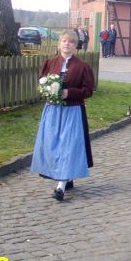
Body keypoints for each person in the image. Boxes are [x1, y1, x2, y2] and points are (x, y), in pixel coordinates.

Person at [31, 30, 95, 201]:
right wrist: (49, 93)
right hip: (52, 111)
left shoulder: (82, 67)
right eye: (64, 41)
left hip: (73, 110)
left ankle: (60, 187)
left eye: (71, 42)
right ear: (59, 44)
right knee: (53, 145)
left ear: (76, 46)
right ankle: (66, 177)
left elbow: (88, 90)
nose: (67, 44)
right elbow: (42, 84)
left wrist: (70, 92)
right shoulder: (49, 63)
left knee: (69, 146)